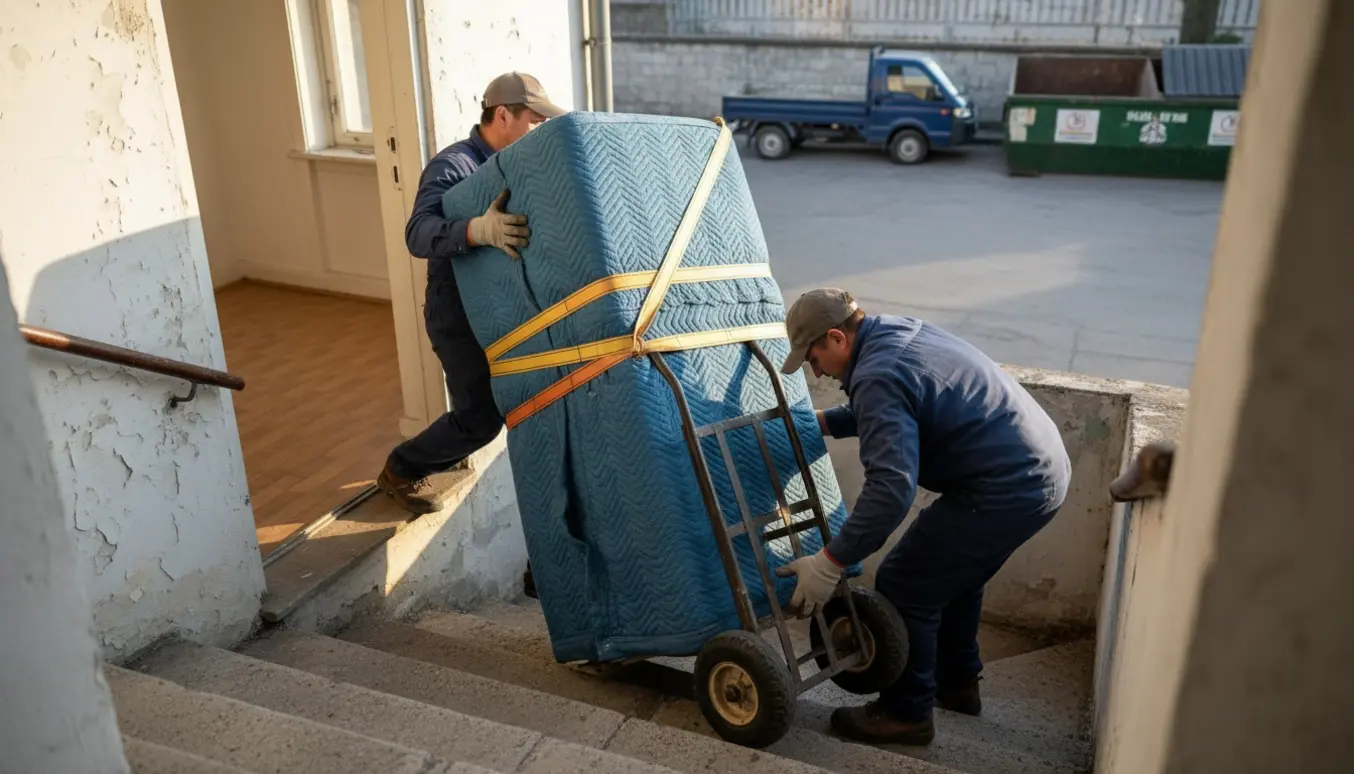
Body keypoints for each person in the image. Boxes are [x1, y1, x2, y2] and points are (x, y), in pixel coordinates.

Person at [775, 288, 1071, 746]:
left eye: (814, 359)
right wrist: (826, 422)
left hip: (1007, 485)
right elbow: (901, 403)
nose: (817, 371)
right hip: (1039, 469)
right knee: (953, 575)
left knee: (906, 581)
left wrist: (829, 563)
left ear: (837, 338)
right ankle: (957, 684)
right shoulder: (893, 333)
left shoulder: (877, 373)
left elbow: (891, 489)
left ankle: (906, 713)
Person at [376, 72, 566, 515]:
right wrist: (476, 230)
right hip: (457, 315)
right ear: (502, 115)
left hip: (501, 308)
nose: (540, 130)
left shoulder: (516, 165)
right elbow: (417, 234)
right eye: (534, 121)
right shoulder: (454, 166)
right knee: (480, 420)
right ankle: (401, 467)